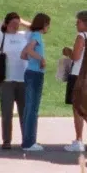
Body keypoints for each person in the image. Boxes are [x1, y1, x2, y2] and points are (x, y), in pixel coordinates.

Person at [0, 12, 31, 149]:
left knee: (24, 112)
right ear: (6, 24)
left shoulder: (24, 35)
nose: (16, 25)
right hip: (6, 80)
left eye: (17, 23)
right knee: (7, 112)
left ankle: (27, 139)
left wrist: (22, 21)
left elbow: (37, 29)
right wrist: (5, 23)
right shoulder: (1, 37)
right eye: (13, 23)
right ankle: (7, 140)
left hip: (23, 79)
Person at [19, 12, 51, 152]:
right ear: (44, 25)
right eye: (48, 25)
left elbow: (24, 54)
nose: (48, 28)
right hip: (35, 74)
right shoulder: (37, 36)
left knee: (29, 107)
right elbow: (30, 50)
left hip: (29, 73)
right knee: (33, 108)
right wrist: (41, 59)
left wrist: (32, 59)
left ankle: (27, 140)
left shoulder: (32, 35)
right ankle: (30, 142)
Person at [61, 10, 87, 153]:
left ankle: (79, 139)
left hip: (77, 74)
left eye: (78, 21)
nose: (76, 24)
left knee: (77, 108)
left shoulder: (81, 36)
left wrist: (68, 52)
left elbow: (76, 56)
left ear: (85, 23)